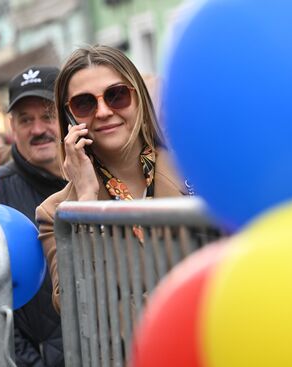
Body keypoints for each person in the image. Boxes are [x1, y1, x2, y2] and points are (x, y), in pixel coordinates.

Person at [36, 45, 190, 313]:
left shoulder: (193, 170)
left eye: (116, 95)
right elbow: (75, 307)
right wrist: (85, 200)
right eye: (84, 103)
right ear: (69, 117)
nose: (104, 111)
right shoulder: (55, 214)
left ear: (138, 98)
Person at [0, 66, 67, 367]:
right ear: (12, 126)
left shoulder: (97, 179)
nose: (37, 129)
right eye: (25, 120)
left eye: (47, 116)